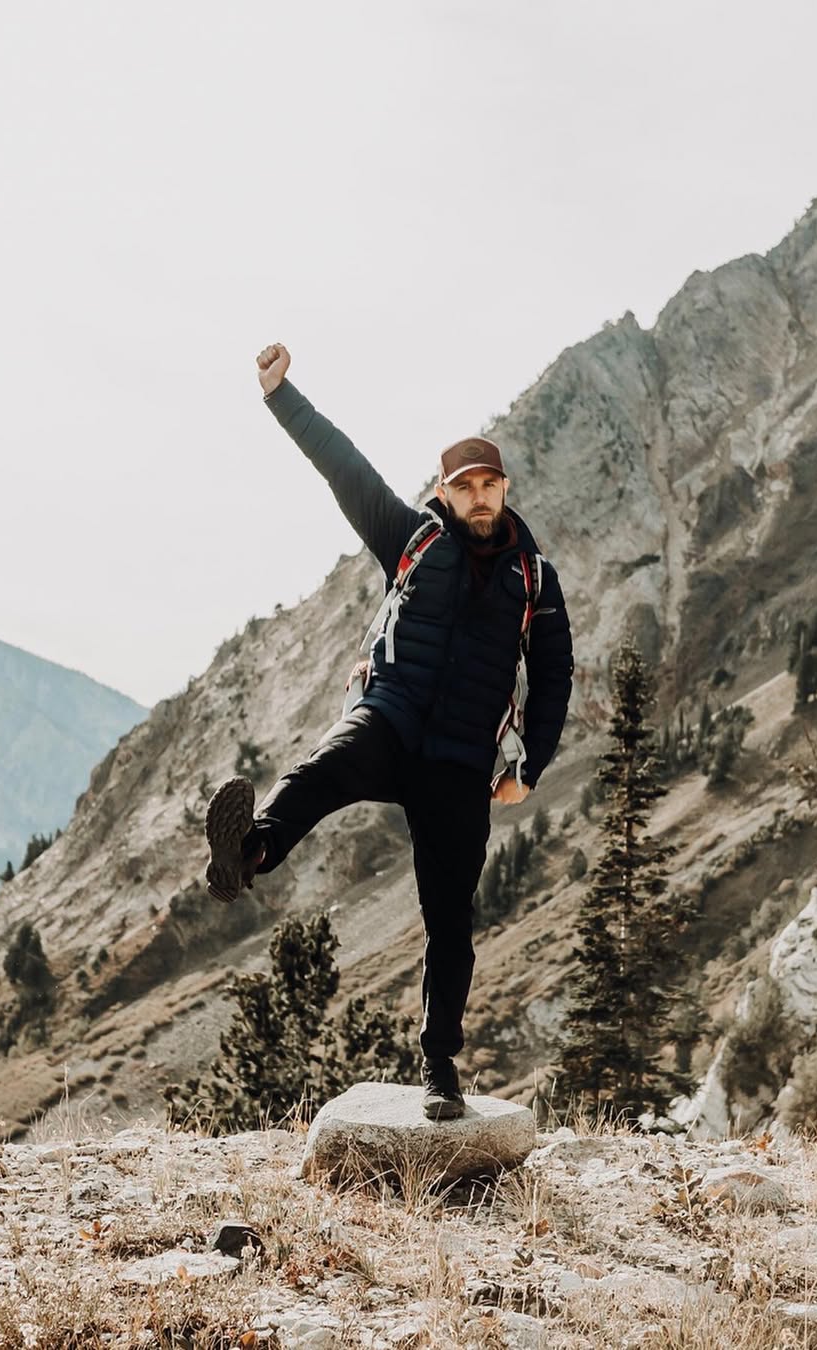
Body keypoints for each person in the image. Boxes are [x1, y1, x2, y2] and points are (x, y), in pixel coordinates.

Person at [204, 342, 573, 1119]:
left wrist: (530, 766)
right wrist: (281, 396)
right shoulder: (413, 539)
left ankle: (439, 1067)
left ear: (505, 490)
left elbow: (555, 675)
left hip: (461, 762)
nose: (477, 498)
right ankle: (250, 850)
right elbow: (347, 470)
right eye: (464, 486)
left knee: (450, 921)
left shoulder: (533, 579)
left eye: (488, 486)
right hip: (392, 715)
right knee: (323, 767)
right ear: (445, 491)